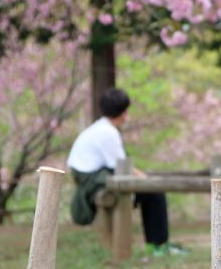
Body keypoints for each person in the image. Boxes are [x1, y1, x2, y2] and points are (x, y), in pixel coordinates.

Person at [67, 88, 187, 257]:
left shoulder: (100, 127)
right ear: (123, 113)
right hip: (93, 180)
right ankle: (158, 246)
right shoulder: (108, 133)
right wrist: (147, 181)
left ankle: (157, 245)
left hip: (89, 177)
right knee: (155, 193)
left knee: (151, 192)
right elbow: (122, 167)